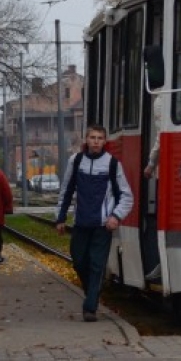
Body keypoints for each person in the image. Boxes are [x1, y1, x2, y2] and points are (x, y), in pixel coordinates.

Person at [55, 124, 134, 322]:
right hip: (81, 223)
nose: (96, 141)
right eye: (92, 137)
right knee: (79, 261)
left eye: (100, 138)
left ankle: (90, 307)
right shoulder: (76, 161)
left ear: (105, 141)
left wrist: (115, 216)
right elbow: (66, 190)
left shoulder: (112, 164)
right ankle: (93, 291)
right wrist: (60, 217)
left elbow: (126, 196)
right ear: (86, 140)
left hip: (102, 226)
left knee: (97, 265)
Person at [142, 94, 164, 283]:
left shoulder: (162, 101)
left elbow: (161, 136)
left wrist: (150, 163)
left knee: (162, 218)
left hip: (166, 173)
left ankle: (162, 263)